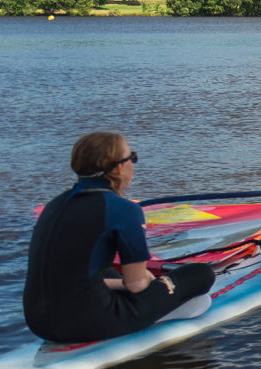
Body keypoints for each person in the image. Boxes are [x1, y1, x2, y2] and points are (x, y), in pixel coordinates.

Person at [23, 132, 215, 343]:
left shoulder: (54, 205)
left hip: (38, 323)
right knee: (201, 273)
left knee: (105, 270)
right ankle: (160, 316)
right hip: (89, 323)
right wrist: (150, 281)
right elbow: (137, 285)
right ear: (118, 167)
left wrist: (124, 284)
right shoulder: (124, 210)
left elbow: (71, 277)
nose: (133, 163)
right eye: (131, 157)